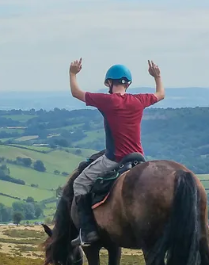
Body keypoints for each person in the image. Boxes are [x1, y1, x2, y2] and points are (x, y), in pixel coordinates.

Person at [68, 59, 165, 247]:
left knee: (80, 183)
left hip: (114, 159)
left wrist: (73, 73)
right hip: (139, 159)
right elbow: (160, 94)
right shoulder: (139, 100)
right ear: (127, 84)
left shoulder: (107, 101)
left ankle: (87, 232)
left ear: (109, 83)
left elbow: (76, 93)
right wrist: (157, 76)